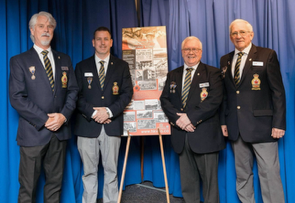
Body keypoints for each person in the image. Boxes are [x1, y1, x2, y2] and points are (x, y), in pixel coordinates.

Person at [9, 11, 78, 202]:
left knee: (55, 187)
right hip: (33, 134)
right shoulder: (19, 61)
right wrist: (45, 119)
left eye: (49, 26)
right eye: (41, 26)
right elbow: (16, 98)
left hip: (60, 133)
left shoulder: (64, 60)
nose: (46, 30)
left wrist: (63, 117)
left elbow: (73, 91)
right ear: (32, 30)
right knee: (28, 189)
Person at [220, 19, 286, 203]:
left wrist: (279, 123)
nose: (238, 36)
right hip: (236, 127)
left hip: (263, 127)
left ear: (251, 35)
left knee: (269, 175)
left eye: (242, 32)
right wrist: (224, 121)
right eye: (234, 33)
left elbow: (278, 92)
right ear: (230, 36)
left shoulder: (267, 55)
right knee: (242, 175)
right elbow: (226, 95)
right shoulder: (224, 60)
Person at [160, 36, 225, 203]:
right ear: (182, 52)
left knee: (210, 185)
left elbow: (214, 100)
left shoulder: (213, 73)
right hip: (181, 135)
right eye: (187, 49)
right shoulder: (173, 74)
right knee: (188, 184)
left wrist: (189, 118)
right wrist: (178, 120)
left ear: (201, 52)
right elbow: (164, 100)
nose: (191, 53)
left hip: (205, 135)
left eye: (195, 49)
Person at [74, 27, 133, 203]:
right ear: (93, 42)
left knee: (111, 171)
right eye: (98, 39)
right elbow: (76, 95)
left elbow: (127, 94)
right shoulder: (81, 66)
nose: (102, 42)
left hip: (111, 125)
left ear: (111, 42)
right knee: (89, 172)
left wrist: (108, 112)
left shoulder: (122, 66)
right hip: (87, 126)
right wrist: (94, 113)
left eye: (106, 39)